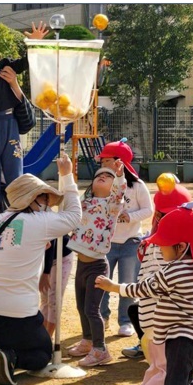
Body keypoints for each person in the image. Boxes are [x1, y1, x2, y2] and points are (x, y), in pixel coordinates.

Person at [96, 202, 193, 385]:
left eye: (163, 245)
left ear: (181, 247)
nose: (159, 248)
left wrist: (113, 286)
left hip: (180, 341)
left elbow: (142, 289)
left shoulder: (173, 272)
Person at [0, 152, 80, 385]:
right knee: (41, 355)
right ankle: (12, 357)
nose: (48, 205)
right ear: (33, 199)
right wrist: (67, 175)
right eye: (46, 199)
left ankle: (3, 349)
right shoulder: (39, 222)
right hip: (18, 315)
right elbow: (74, 216)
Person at [125, 182, 193, 385]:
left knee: (158, 367)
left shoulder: (154, 241)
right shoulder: (168, 247)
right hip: (164, 322)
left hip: (150, 319)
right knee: (166, 370)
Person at [0, 22, 49, 219]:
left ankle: (19, 205)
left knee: (15, 167)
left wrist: (34, 44)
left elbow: (25, 63)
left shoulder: (6, 68)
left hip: (10, 125)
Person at [66, 161, 126, 368]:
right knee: (81, 307)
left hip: (98, 267)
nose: (102, 176)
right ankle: (88, 341)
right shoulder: (86, 203)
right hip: (81, 265)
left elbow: (119, 192)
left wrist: (119, 177)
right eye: (99, 175)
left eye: (108, 176)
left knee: (92, 309)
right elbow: (70, 209)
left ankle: (101, 350)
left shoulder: (112, 206)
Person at [94, 139, 153, 337]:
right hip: (106, 243)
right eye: (101, 161)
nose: (103, 164)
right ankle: (102, 317)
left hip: (131, 242)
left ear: (119, 162)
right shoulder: (100, 184)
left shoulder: (137, 185)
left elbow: (148, 209)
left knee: (127, 283)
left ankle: (125, 320)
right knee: (102, 282)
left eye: (106, 160)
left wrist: (130, 216)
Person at [39, 234, 73, 338]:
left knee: (54, 299)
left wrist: (46, 273)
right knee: (44, 298)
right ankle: (42, 335)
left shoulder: (51, 219)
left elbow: (52, 243)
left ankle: (48, 337)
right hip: (43, 259)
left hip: (62, 257)